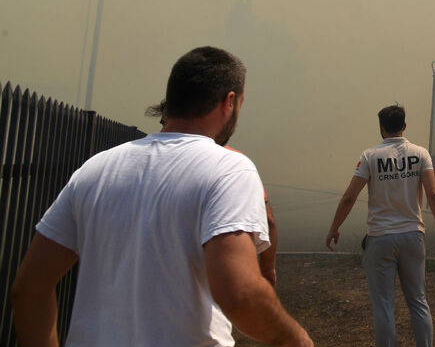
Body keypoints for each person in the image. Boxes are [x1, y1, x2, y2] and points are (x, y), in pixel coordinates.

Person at [11, 46, 312, 347]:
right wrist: (296, 339)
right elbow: (240, 294)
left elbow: (29, 287)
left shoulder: (96, 169)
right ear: (229, 101)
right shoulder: (228, 168)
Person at [325, 104, 435, 347]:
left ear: (381, 128)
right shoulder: (421, 154)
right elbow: (433, 194)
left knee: (383, 305)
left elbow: (350, 197)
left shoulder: (370, 156)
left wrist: (334, 228)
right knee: (418, 301)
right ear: (404, 126)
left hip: (380, 238)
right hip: (413, 236)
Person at [145, 97, 280, 285]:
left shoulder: (138, 162)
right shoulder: (234, 165)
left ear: (166, 118)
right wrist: (267, 269)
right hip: (209, 281)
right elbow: (268, 221)